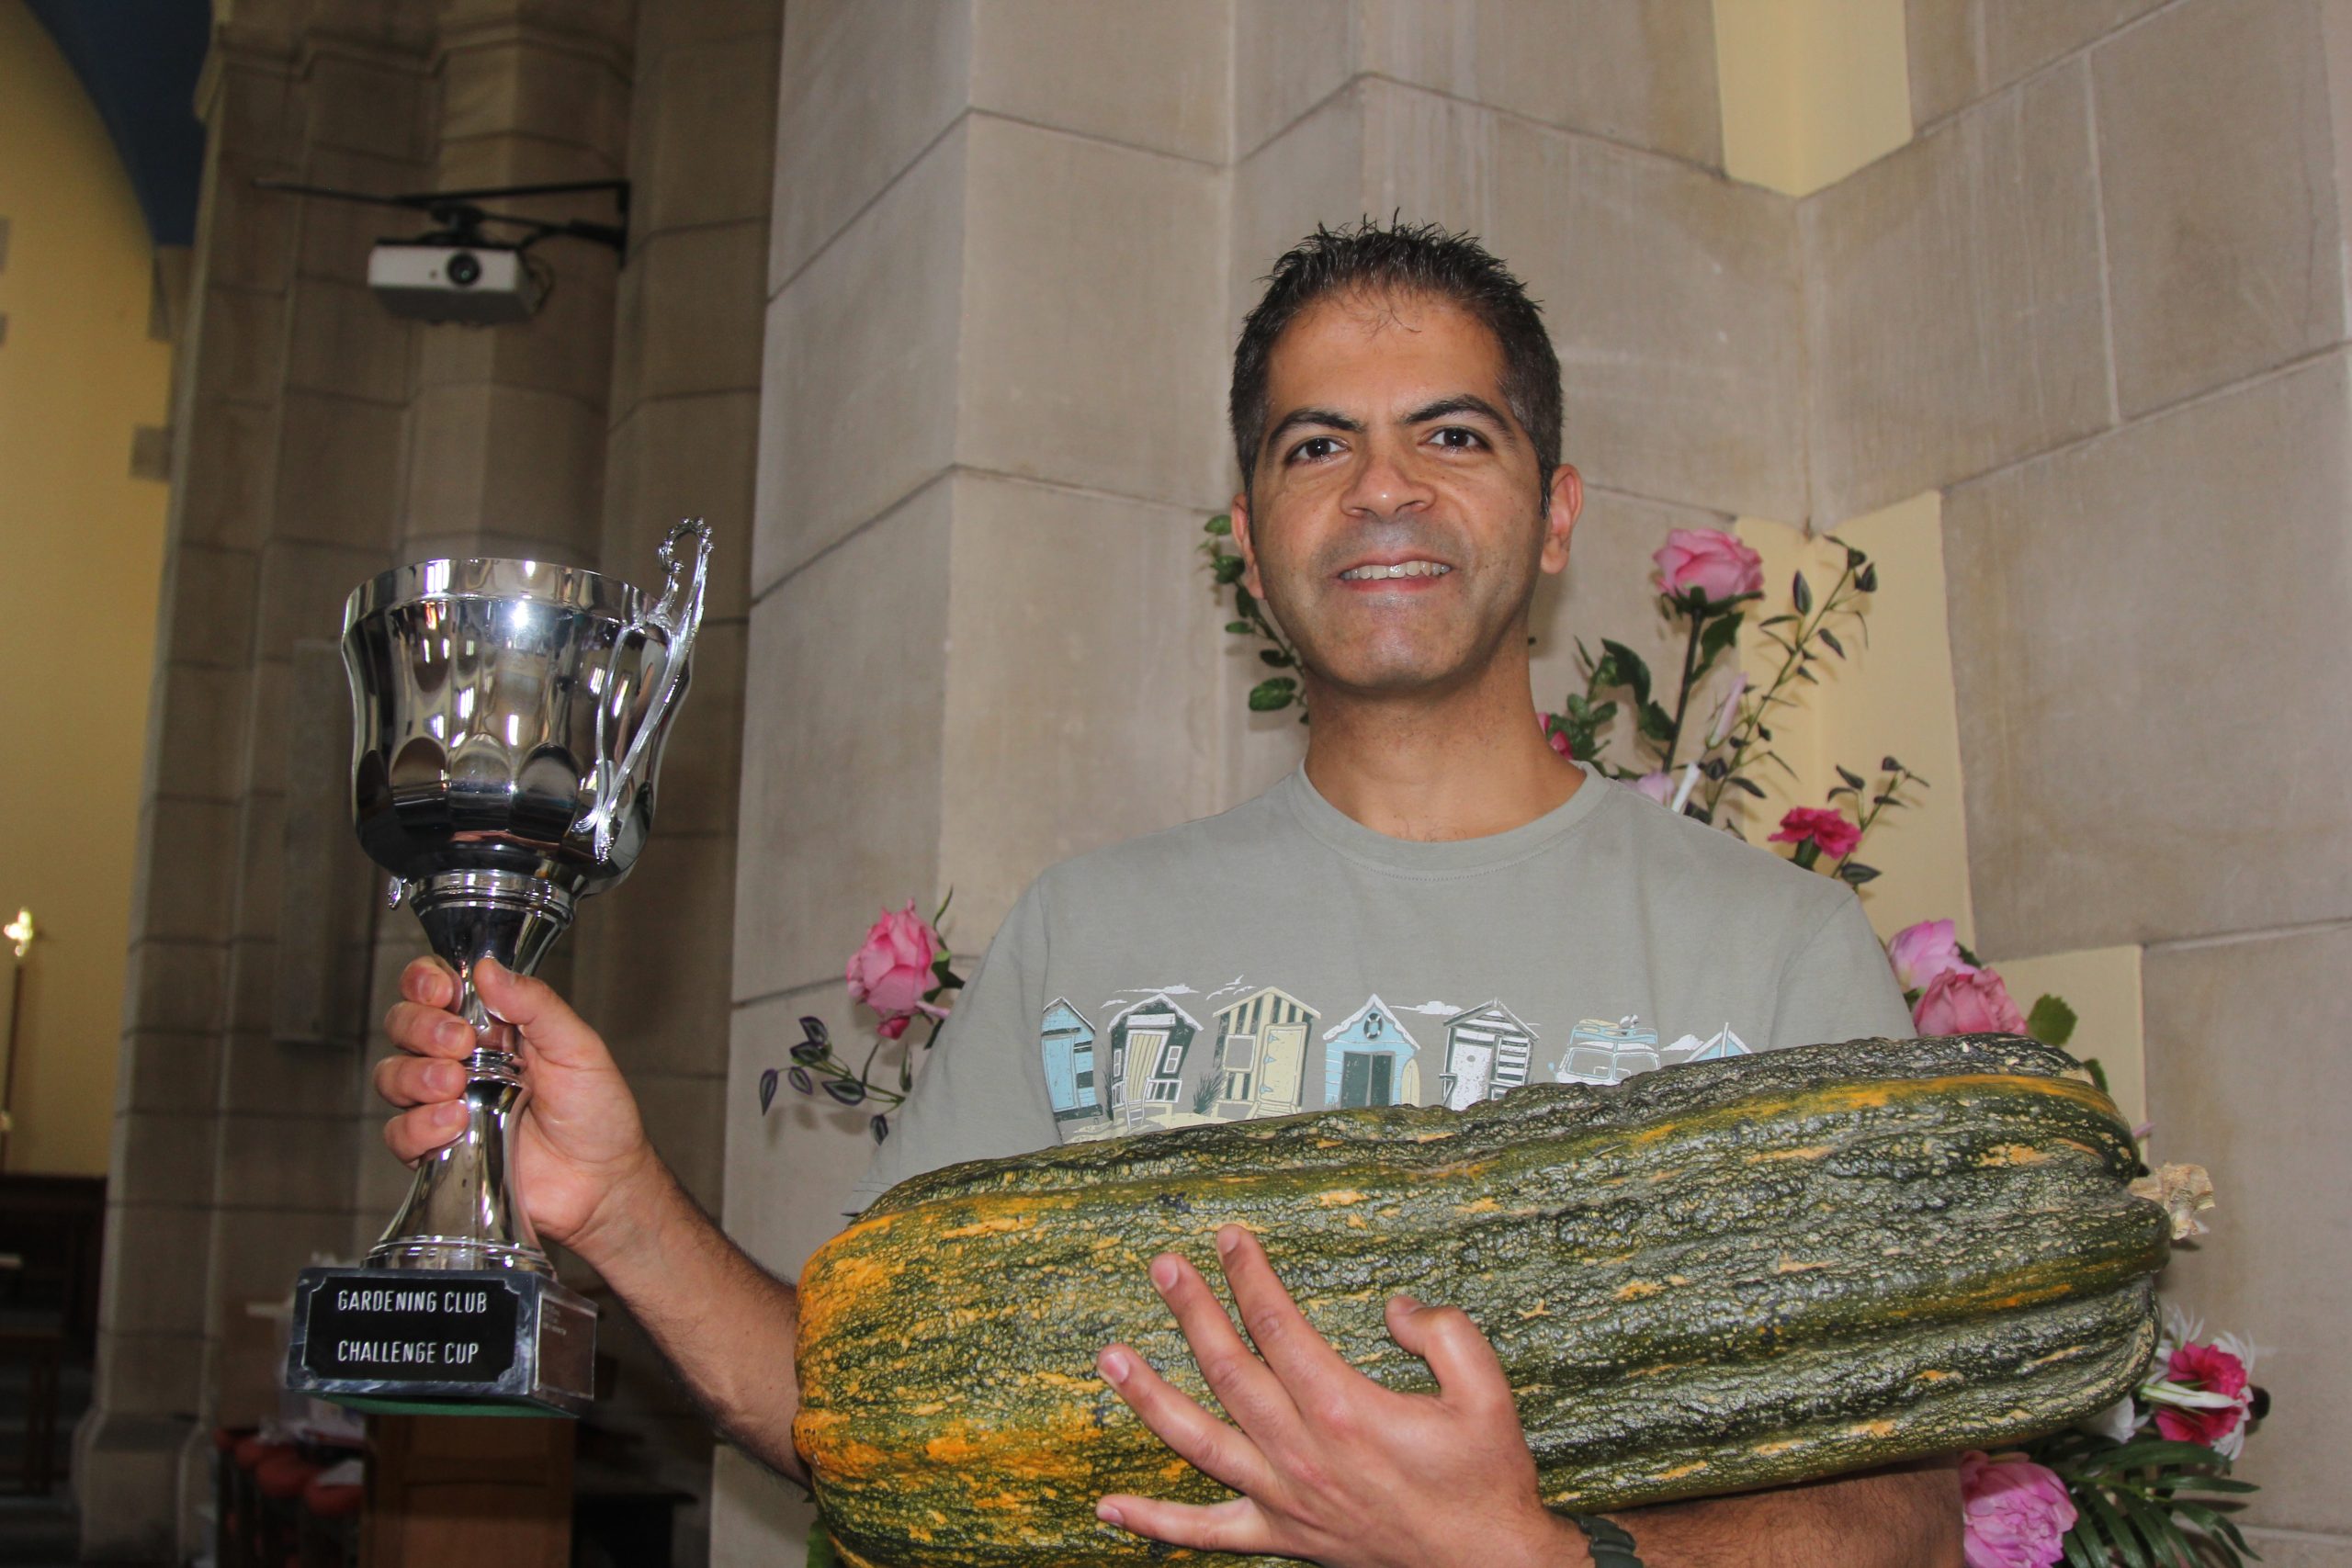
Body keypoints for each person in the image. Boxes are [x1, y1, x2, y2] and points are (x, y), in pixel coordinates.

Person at [379, 220, 1962, 1566]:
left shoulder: (1778, 955)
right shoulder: (1088, 934)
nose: (1384, 488)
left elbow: (1899, 1507)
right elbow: (874, 1405)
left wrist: (1534, 1553)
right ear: (1252, 549)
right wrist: (622, 1206)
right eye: (1316, 445)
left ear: (1554, 515)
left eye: (1454, 434)